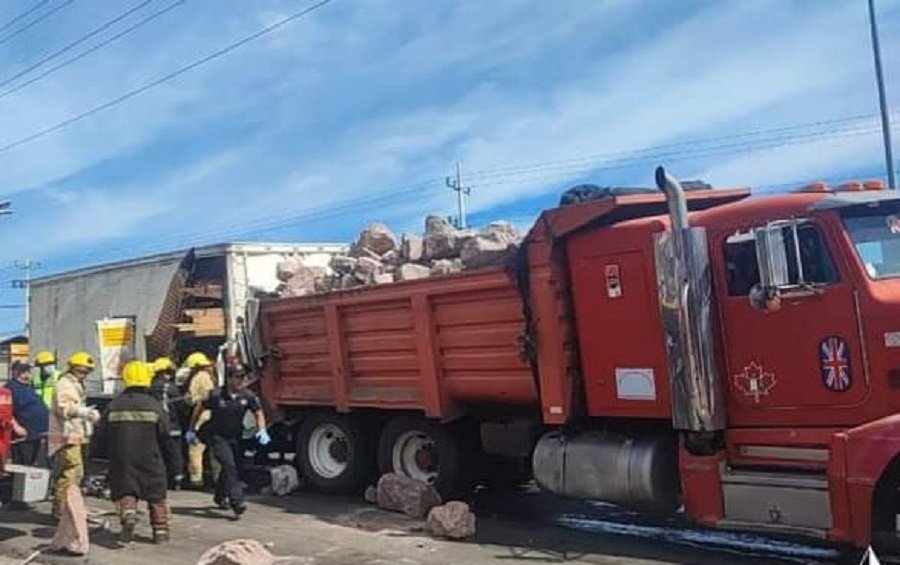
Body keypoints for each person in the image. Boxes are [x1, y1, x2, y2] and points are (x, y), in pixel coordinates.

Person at [96, 361, 170, 543]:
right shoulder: (154, 404)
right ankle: (160, 531)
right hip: (150, 456)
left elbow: (101, 433)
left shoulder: (114, 405)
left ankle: (128, 514)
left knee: (126, 489)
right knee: (156, 494)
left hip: (123, 458)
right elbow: (165, 432)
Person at [187, 366, 270, 518]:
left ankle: (219, 496)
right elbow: (199, 409)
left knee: (231, 467)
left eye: (243, 377)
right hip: (217, 436)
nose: (240, 381)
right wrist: (191, 430)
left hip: (236, 437)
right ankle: (237, 501)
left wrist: (262, 430)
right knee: (229, 464)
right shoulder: (216, 395)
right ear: (229, 378)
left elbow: (258, 412)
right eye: (237, 377)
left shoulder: (247, 396)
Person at [48, 352, 100, 520]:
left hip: (74, 434)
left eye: (86, 372)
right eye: (81, 371)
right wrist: (83, 412)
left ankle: (66, 508)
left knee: (75, 472)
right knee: (70, 472)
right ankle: (61, 510)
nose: (84, 374)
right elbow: (64, 408)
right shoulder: (65, 384)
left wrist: (88, 417)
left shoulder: (75, 384)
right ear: (73, 368)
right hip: (66, 435)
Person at [150, 357, 184, 489]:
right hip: (173, 424)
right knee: (175, 453)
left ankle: (160, 478)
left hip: (156, 425)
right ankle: (177, 479)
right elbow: (180, 406)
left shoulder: (151, 387)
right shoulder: (171, 387)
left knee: (159, 452)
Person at [6, 361, 49, 466]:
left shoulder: (29, 387)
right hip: (23, 437)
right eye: (24, 371)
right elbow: (5, 412)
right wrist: (16, 427)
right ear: (16, 372)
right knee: (22, 466)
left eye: (29, 371)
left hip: (36, 434)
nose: (28, 374)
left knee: (31, 466)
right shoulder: (9, 389)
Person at [183, 352, 216, 489]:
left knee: (195, 448)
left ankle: (196, 479)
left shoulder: (197, 378)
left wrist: (187, 399)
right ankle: (217, 478)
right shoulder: (208, 377)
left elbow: (194, 401)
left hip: (201, 415)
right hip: (211, 415)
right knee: (214, 448)